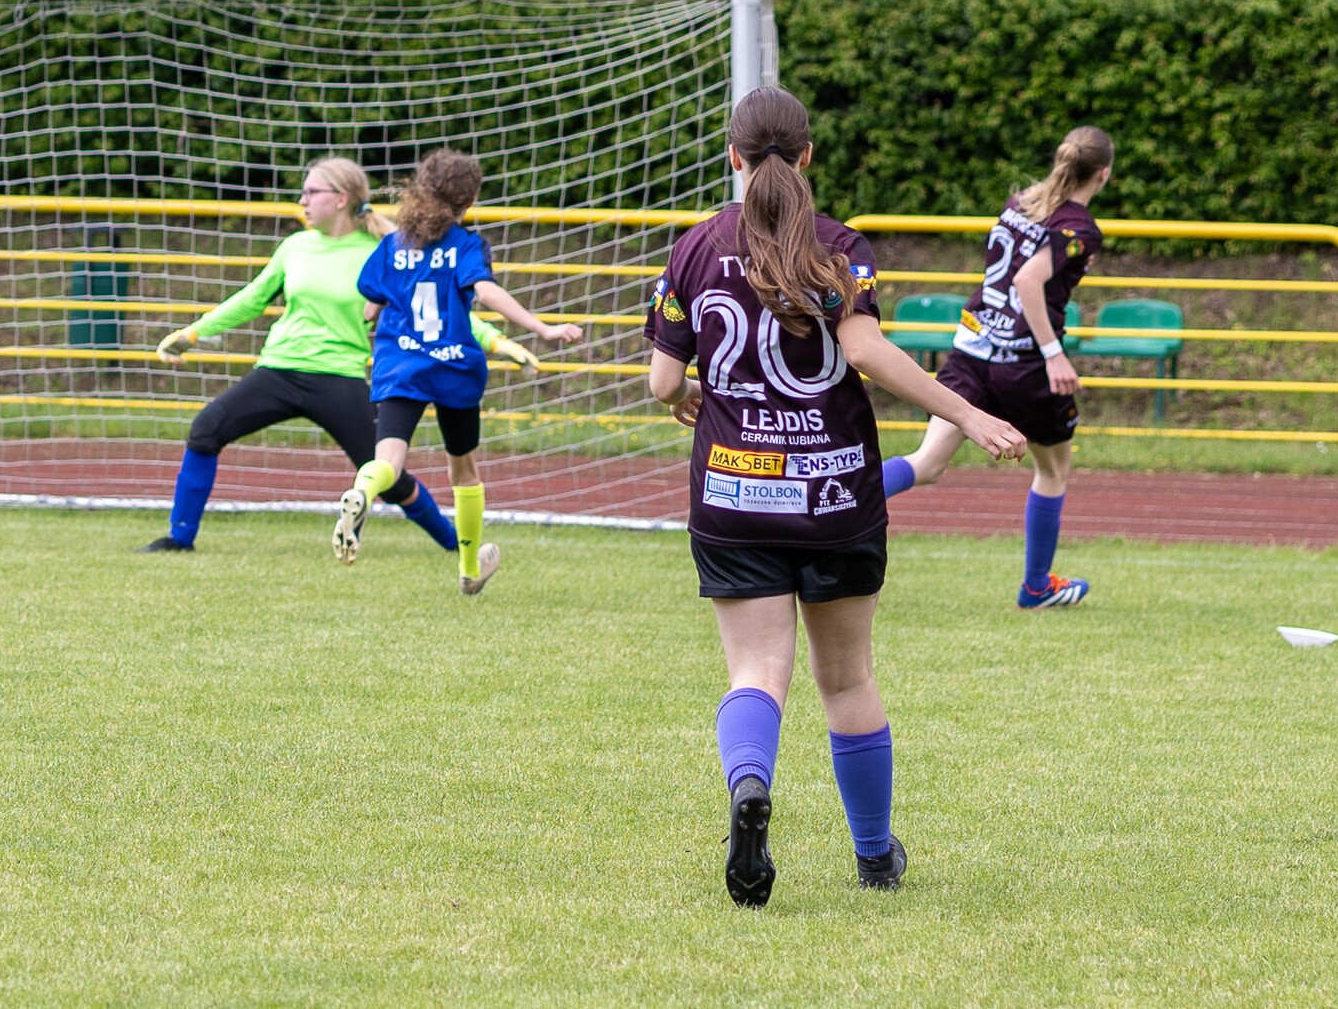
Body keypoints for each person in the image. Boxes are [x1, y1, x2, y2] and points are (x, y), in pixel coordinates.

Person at [644, 87, 1026, 908]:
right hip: (834, 493)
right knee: (847, 679)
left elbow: (662, 378)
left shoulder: (695, 246)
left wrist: (683, 394)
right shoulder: (839, 247)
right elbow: (866, 351)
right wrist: (967, 413)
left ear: (733, 157)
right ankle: (874, 856)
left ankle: (751, 787)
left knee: (756, 669)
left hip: (733, 493)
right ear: (808, 155)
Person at [142, 156, 542, 556]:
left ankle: (454, 542)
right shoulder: (295, 247)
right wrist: (193, 332)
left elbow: (437, 310)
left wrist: (496, 341)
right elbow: (251, 298)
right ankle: (179, 539)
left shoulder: (384, 250)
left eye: (310, 192)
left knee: (387, 476)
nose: (301, 200)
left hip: (339, 378)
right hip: (279, 370)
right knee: (206, 429)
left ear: (340, 199)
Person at [882, 125, 1112, 609]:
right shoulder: (1080, 227)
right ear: (1104, 174)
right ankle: (1036, 587)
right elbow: (1028, 282)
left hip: (971, 348)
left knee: (926, 464)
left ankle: (822, 504)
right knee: (1053, 470)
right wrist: (1053, 354)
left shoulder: (1020, 202)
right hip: (1023, 362)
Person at [334, 150, 583, 594]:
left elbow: (370, 307)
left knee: (388, 460)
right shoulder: (466, 246)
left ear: (419, 190)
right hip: (453, 367)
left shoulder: (393, 245)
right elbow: (485, 291)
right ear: (468, 201)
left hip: (401, 364)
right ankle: (469, 570)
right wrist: (541, 328)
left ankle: (363, 493)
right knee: (463, 470)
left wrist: (384, 311)